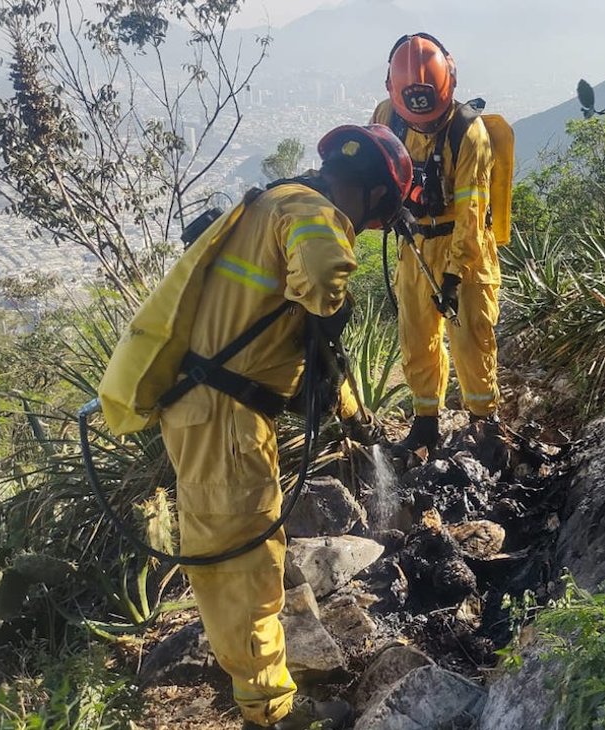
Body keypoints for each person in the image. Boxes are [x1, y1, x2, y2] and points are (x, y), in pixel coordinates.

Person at [156, 125, 411, 729]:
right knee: (245, 568)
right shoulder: (311, 210)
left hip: (213, 411)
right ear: (375, 197)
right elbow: (322, 282)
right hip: (225, 421)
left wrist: (358, 419)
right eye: (377, 219)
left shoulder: (269, 202)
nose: (370, 229)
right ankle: (270, 714)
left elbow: (312, 354)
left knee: (248, 554)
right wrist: (334, 299)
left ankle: (260, 694)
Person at [372, 32, 502, 450]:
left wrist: (453, 274)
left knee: (471, 337)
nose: (422, 124)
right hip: (413, 243)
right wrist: (393, 208)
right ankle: (426, 420)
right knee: (416, 334)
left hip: (465, 247)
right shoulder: (386, 118)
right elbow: (373, 180)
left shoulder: (469, 133)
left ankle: (485, 421)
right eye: (414, 117)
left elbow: (471, 212)